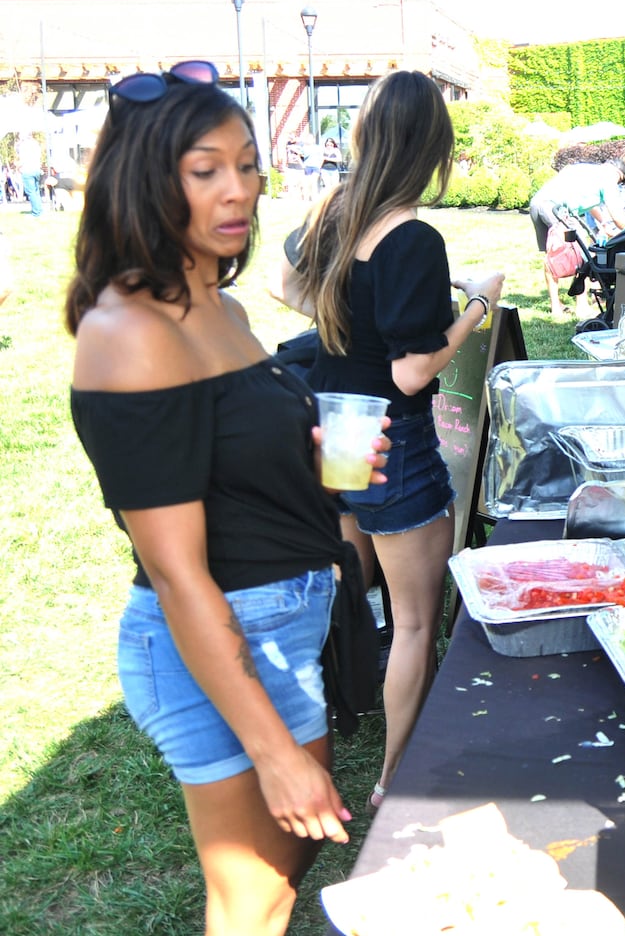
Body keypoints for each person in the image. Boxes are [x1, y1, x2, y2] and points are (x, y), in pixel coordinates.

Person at [65, 63, 376, 935]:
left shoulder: (219, 306)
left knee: (287, 870)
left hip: (284, 619)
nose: (237, 190)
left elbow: (234, 467)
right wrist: (274, 755)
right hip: (213, 636)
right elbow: (173, 572)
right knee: (253, 896)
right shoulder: (130, 332)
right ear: (146, 180)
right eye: (205, 170)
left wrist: (325, 464)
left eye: (247, 164)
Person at [282, 70, 505, 812]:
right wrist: (478, 304)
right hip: (395, 442)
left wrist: (347, 313)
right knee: (413, 622)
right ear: (431, 146)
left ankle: (334, 714)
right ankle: (392, 781)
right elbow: (412, 373)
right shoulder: (411, 236)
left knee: (355, 586)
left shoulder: (334, 210)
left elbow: (285, 286)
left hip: (336, 429)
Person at [527, 157, 625, 250]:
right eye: (620, 181)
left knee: (552, 253)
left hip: (537, 203)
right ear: (618, 174)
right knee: (579, 250)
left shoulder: (585, 168)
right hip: (556, 209)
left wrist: (604, 223)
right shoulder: (609, 178)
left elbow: (591, 206)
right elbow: (617, 217)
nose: (618, 184)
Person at [18, 132, 43, 216]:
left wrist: (18, 167)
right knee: (36, 191)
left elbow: (23, 160)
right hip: (36, 169)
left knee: (31, 192)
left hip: (27, 170)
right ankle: (39, 210)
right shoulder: (36, 144)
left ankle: (36, 212)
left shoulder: (23, 146)